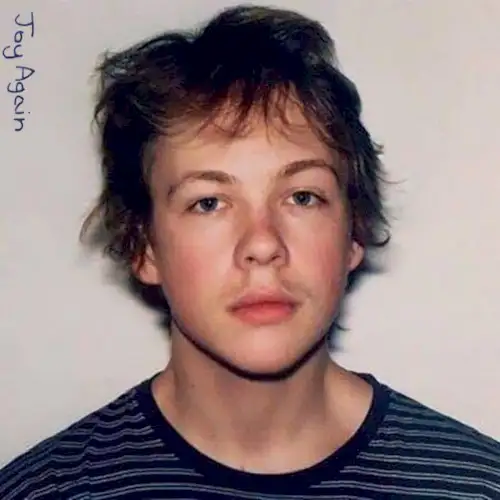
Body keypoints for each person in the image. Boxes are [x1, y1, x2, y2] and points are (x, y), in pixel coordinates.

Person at [1, 4, 499, 499]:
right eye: (209, 203)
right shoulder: (48, 490)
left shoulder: (473, 486)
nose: (262, 244)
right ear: (144, 245)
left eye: (302, 197)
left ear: (354, 231)